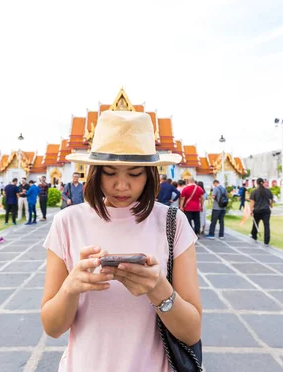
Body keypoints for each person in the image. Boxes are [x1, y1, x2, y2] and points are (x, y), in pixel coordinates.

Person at [41, 111, 201, 371]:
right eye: (110, 172)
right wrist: (71, 287)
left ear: (150, 174)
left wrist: (158, 289)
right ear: (94, 172)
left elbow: (192, 332)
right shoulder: (67, 222)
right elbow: (52, 327)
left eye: (135, 173)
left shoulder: (173, 222)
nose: (122, 186)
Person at [250, 178, 274, 245]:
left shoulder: (254, 191)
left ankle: (254, 236)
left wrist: (251, 210)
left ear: (256, 183)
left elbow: (252, 202)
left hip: (257, 210)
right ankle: (266, 240)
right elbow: (272, 199)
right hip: (266, 210)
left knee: (255, 224)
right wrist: (271, 204)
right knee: (266, 225)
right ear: (263, 183)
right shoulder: (268, 191)